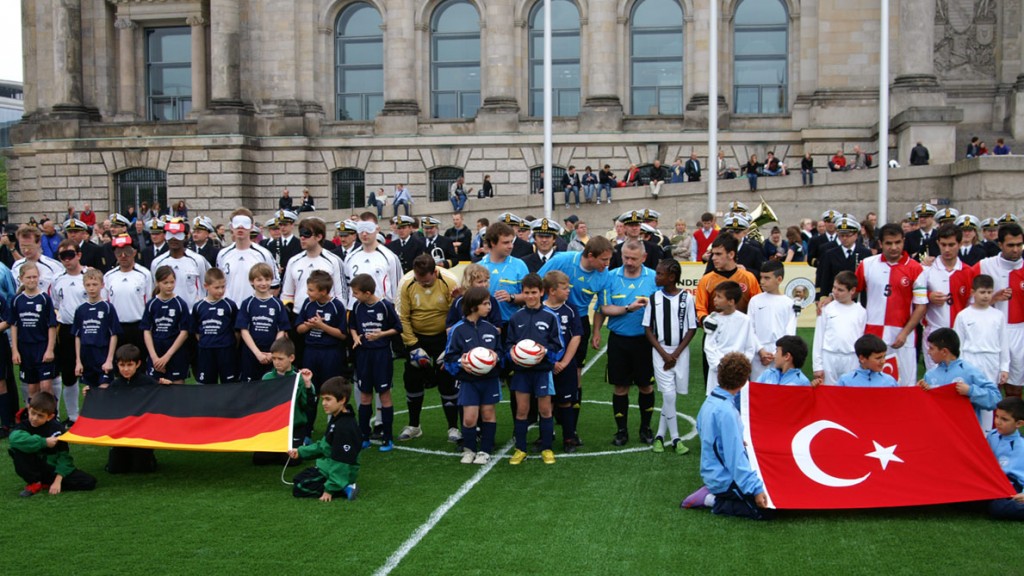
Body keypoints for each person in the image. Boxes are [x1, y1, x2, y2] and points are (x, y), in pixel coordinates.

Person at [681, 353, 769, 519]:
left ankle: (713, 491)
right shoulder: (727, 412)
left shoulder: (710, 402)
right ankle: (711, 500)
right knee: (765, 510)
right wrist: (755, 489)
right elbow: (735, 458)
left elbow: (707, 434)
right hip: (724, 479)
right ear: (744, 381)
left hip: (713, 472)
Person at [396, 254, 460, 442]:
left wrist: (449, 348)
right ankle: (414, 425)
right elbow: (402, 317)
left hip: (444, 337)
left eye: (426, 281)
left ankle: (453, 428)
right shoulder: (406, 282)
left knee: (448, 380)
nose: (422, 284)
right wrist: (413, 346)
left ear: (435, 272)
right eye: (419, 280)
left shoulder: (449, 281)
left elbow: (456, 314)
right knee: (412, 380)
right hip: (417, 338)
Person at [600, 240, 657, 446]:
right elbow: (605, 308)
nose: (629, 262)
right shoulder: (611, 276)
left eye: (633, 258)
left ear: (644, 257)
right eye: (625, 257)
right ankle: (621, 431)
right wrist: (628, 308)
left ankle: (645, 428)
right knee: (620, 387)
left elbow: (663, 305)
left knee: (646, 386)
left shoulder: (653, 277)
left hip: (645, 341)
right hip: (619, 341)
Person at [503, 273, 565, 465]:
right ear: (522, 293)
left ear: (542, 293)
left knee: (545, 410)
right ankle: (520, 449)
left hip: (542, 371)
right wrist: (514, 354)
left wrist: (544, 352)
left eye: (534, 293)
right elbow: (508, 345)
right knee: (522, 410)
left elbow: (558, 345)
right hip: (522, 372)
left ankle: (547, 448)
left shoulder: (550, 317)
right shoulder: (516, 317)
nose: (530, 297)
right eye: (527, 293)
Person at [855, 224, 926, 387]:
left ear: (904, 241)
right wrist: (830, 298)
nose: (894, 247)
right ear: (880, 243)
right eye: (888, 243)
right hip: (873, 334)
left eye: (898, 242)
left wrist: (905, 333)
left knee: (905, 385)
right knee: (869, 384)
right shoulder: (867, 264)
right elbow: (851, 291)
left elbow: (921, 306)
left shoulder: (916, 268)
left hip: (902, 337)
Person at [442, 286, 502, 464]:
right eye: (485, 304)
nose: (489, 307)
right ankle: (469, 449)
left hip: (489, 379)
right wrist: (462, 362)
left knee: (488, 412)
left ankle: (484, 450)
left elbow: (500, 352)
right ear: (473, 306)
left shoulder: (491, 329)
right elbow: (449, 358)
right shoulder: (457, 330)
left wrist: (496, 357)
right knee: (469, 418)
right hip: (468, 381)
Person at [643, 259, 696, 454]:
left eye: (659, 274)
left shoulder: (687, 298)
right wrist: (664, 354)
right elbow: (647, 328)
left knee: (671, 397)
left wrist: (675, 354)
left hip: (680, 353)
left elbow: (692, 328)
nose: (656, 277)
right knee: (669, 394)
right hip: (660, 352)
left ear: (671, 277)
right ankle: (675, 439)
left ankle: (659, 435)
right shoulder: (654, 298)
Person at [913, 224, 978, 371]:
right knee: (935, 380)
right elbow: (915, 296)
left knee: (958, 377)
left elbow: (972, 306)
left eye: (951, 245)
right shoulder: (926, 270)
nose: (947, 249)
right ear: (938, 243)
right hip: (934, 331)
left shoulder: (968, 272)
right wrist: (929, 296)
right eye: (943, 245)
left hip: (960, 333)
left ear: (960, 244)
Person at [8, 391, 97, 497]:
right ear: (29, 409)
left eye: (40, 416)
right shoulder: (24, 425)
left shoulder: (57, 429)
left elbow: (64, 456)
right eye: (33, 413)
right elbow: (14, 439)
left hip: (52, 468)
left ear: (50, 417)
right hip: (33, 466)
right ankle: (34, 483)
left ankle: (47, 482)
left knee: (89, 482)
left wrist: (58, 480)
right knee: (18, 448)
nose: (35, 418)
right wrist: (44, 442)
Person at [348, 273, 401, 451]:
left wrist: (381, 334)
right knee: (364, 395)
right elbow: (353, 326)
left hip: (381, 355)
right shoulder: (357, 307)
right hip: (363, 356)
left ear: (368, 293)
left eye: (356, 293)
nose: (354, 296)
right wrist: (355, 338)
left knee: (384, 395)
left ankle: (388, 437)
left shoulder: (385, 306)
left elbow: (397, 328)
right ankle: (364, 436)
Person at [288, 376, 361, 502]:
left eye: (328, 399)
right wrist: (300, 451)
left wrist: (329, 490)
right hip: (327, 466)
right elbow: (323, 445)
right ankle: (340, 484)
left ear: (342, 400)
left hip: (335, 470)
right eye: (323, 399)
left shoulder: (345, 428)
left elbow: (342, 462)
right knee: (297, 480)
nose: (324, 403)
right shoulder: (337, 417)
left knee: (300, 488)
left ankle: (344, 486)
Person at [296, 270, 348, 436]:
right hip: (311, 353)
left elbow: (342, 334)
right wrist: (310, 326)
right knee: (311, 391)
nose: (307, 292)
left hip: (331, 354)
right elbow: (299, 329)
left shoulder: (337, 306)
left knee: (331, 391)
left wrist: (322, 326)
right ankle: (307, 430)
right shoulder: (307, 304)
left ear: (323, 291)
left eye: (311, 290)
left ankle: (332, 429)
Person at [954, 274, 1008, 429]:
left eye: (989, 292)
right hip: (970, 360)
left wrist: (1004, 367)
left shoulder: (998, 316)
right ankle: (969, 433)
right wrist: (961, 366)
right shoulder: (963, 315)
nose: (986, 296)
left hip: (991, 361)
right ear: (973, 292)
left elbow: (1003, 343)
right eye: (982, 292)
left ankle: (985, 436)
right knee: (969, 398)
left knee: (987, 398)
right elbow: (958, 343)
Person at [917, 328, 1001, 426]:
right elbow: (925, 408)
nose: (928, 352)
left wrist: (970, 391)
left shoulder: (969, 371)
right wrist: (920, 391)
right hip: (939, 431)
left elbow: (996, 399)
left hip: (964, 433)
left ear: (944, 351)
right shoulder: (930, 375)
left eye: (931, 348)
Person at [104, 344, 161, 473]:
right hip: (121, 432)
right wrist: (91, 394)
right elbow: (105, 402)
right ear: (117, 365)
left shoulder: (148, 382)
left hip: (141, 432)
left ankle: (150, 457)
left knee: (142, 469)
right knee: (114, 470)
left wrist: (167, 386)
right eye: (122, 365)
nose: (125, 369)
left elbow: (162, 398)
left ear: (138, 364)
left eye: (129, 365)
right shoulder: (115, 385)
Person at [11, 262, 58, 403]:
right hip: (26, 348)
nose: (32, 280)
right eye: (28, 277)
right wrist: (15, 350)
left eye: (34, 277)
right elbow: (14, 325)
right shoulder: (17, 300)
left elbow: (52, 325)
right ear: (21, 279)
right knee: (32, 388)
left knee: (46, 386)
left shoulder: (44, 299)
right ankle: (33, 419)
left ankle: (51, 417)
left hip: (42, 346)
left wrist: (50, 350)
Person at [236, 263, 291, 381]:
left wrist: (273, 352)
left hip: (272, 355)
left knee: (270, 388)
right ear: (252, 281)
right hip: (251, 353)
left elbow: (281, 330)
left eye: (267, 279)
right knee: (250, 389)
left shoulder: (277, 304)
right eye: (259, 280)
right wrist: (257, 353)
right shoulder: (247, 303)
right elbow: (243, 330)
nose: (263, 283)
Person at [703, 281, 758, 395]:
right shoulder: (712, 319)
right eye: (715, 296)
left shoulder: (745, 320)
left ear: (731, 301)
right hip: (718, 373)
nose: (715, 299)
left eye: (719, 297)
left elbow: (750, 347)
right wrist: (719, 366)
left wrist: (740, 367)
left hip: (738, 374)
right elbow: (709, 346)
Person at [263, 337, 317, 453]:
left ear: (291, 358)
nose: (276, 362)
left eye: (280, 359)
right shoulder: (267, 378)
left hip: (295, 426)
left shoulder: (299, 378)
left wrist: (308, 384)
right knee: (261, 458)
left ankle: (300, 441)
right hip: (274, 426)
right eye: (274, 358)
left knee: (291, 459)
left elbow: (308, 406)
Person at [812, 271, 866, 386]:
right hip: (829, 356)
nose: (835, 292)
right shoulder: (826, 308)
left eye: (840, 290)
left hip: (851, 357)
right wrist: (817, 366)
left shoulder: (861, 312)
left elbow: (861, 338)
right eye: (834, 288)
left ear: (852, 291)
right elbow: (819, 337)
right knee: (828, 392)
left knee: (849, 393)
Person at [217, 209, 280, 306]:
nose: (240, 227)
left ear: (251, 227)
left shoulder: (263, 254)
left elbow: (275, 285)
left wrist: (262, 305)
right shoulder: (223, 254)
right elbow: (218, 283)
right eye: (237, 223)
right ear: (231, 227)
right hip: (229, 310)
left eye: (245, 224)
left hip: (254, 311)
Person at [748, 261, 797, 381]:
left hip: (780, 354)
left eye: (767, 278)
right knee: (758, 389)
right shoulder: (755, 300)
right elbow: (750, 328)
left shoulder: (788, 303)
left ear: (779, 279)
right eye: (761, 277)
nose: (762, 281)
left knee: (778, 391)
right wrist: (761, 350)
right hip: (759, 354)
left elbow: (790, 331)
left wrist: (779, 353)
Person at [141, 266, 191, 384]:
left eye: (172, 282)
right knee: (156, 389)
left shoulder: (180, 304)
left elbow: (184, 333)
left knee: (177, 387)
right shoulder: (151, 304)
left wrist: (167, 356)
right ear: (157, 283)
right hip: (157, 351)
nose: (169, 285)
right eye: (165, 282)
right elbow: (146, 331)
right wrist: (154, 357)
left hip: (175, 352)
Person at [102, 234, 152, 352]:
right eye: (119, 252)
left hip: (138, 325)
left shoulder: (144, 274)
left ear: (134, 253)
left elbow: (149, 301)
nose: (123, 256)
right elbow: (105, 303)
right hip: (116, 327)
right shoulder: (109, 276)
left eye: (127, 252)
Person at [74, 269, 121, 392]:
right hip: (86, 356)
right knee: (89, 392)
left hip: (102, 355)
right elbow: (77, 336)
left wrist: (109, 360)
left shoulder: (107, 308)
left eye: (95, 284)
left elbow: (113, 335)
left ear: (102, 285)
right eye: (88, 285)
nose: (91, 288)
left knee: (103, 390)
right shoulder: (80, 309)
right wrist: (78, 361)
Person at [340, 218, 402, 308]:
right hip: (355, 310)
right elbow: (347, 286)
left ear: (376, 230)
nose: (364, 234)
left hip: (381, 309)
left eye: (369, 229)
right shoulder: (350, 257)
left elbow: (397, 288)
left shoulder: (390, 257)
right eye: (361, 230)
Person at [191, 268, 239, 384]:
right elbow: (196, 331)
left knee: (229, 385)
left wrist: (231, 345)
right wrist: (205, 342)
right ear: (206, 286)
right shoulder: (198, 306)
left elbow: (237, 331)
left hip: (226, 351)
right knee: (206, 385)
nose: (220, 290)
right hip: (206, 351)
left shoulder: (230, 305)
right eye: (216, 287)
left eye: (223, 287)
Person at [151, 219, 210, 310]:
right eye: (170, 234)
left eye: (178, 235)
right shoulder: (157, 262)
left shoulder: (198, 260)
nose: (174, 238)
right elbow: (155, 290)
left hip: (191, 315)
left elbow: (205, 287)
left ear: (186, 237)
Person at [815, 216, 871, 302]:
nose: (844, 238)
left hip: (857, 301)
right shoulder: (830, 254)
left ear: (856, 235)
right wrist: (821, 298)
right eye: (841, 235)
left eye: (848, 235)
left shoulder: (865, 253)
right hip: (835, 300)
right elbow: (824, 278)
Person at [986, 397, 1024, 520]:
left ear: (1019, 424)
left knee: (998, 508)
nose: (998, 422)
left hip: (1013, 484)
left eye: (1004, 419)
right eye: (997, 416)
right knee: (963, 502)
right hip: (994, 481)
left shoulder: (1021, 445)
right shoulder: (992, 436)